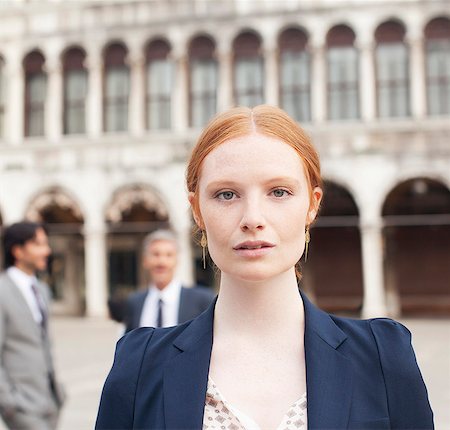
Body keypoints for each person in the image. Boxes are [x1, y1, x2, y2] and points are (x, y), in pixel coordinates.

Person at [96, 105, 434, 429]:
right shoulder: (138, 366)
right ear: (197, 209)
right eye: (226, 195)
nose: (253, 219)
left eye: (279, 191)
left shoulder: (384, 357)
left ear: (312, 205)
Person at [0, 222, 65, 430]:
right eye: (38, 244)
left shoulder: (42, 290)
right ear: (18, 250)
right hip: (21, 405)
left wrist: (57, 395)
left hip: (50, 402)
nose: (46, 250)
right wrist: (8, 401)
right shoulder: (2, 291)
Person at [124, 229, 215, 332]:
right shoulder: (135, 302)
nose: (161, 262)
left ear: (177, 260)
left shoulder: (202, 300)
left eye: (169, 255)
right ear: (145, 260)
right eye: (155, 254)